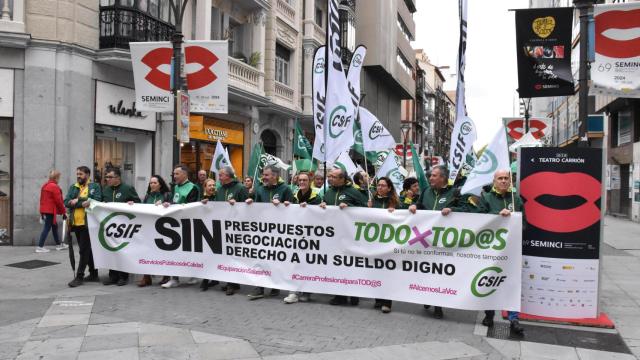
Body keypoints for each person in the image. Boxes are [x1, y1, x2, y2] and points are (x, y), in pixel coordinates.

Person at [408, 164, 463, 319]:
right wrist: (413, 205)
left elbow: (467, 210)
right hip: (425, 239)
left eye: (434, 175)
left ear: (443, 178)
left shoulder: (455, 193)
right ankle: (428, 296)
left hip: (444, 242)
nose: (430, 178)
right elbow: (420, 205)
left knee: (439, 273)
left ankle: (438, 304)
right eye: (430, 175)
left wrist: (453, 210)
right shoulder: (426, 191)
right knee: (426, 270)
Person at [476, 169, 525, 336]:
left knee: (511, 283)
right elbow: (478, 218)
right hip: (491, 249)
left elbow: (524, 223)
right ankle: (489, 314)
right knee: (490, 281)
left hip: (511, 249)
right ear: (494, 181)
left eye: (506, 178)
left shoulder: (516, 199)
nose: (504, 181)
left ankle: (514, 319)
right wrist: (497, 216)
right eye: (500, 178)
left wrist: (514, 221)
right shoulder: (487, 198)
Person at [320, 167, 367, 306]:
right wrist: (322, 205)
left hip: (350, 235)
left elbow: (365, 208)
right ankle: (339, 295)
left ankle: (353, 294)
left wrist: (349, 206)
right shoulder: (328, 192)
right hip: (333, 236)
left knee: (350, 265)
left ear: (342, 179)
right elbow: (324, 208)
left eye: (334, 177)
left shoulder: (353, 192)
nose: (330, 179)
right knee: (337, 265)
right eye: (330, 176)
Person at [245, 165, 293, 300]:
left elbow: (293, 209)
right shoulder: (260, 189)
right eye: (263, 175)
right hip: (263, 231)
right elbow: (257, 207)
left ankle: (275, 286)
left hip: (279, 232)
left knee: (276, 260)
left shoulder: (285, 189)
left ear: (275, 176)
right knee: (261, 259)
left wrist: (284, 203)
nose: (263, 177)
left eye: (266, 175)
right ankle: (259, 288)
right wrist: (251, 202)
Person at [282, 172, 322, 304]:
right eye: (300, 180)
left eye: (305, 180)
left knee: (307, 264)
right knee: (294, 263)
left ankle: (306, 291)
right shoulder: (294, 196)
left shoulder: (316, 197)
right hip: (296, 235)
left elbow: (320, 214)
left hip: (311, 236)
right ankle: (293, 291)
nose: (302, 182)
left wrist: (311, 208)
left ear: (309, 181)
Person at [161, 164, 201, 289]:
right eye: (174, 174)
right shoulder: (175, 187)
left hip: (187, 223)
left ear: (184, 174)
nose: (174, 176)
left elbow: (191, 206)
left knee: (189, 251)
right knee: (173, 251)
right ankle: (174, 278)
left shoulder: (192, 187)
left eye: (177, 174)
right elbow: (173, 201)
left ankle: (193, 274)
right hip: (174, 223)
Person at [102, 168, 141, 286]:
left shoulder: (127, 188)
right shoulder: (106, 190)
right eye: (106, 177)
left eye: (110, 177)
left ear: (118, 178)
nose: (107, 179)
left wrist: (132, 204)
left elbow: (138, 203)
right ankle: (112, 276)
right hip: (109, 226)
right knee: (111, 250)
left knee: (122, 251)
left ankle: (123, 276)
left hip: (124, 227)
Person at [65, 166, 102, 287]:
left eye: (80, 174)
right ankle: (93, 273)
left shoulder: (94, 186)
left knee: (83, 250)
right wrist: (83, 202)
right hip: (75, 223)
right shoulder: (73, 187)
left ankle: (79, 276)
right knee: (87, 250)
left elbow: (96, 200)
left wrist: (77, 201)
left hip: (88, 223)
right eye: (77, 174)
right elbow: (66, 202)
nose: (78, 176)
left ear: (87, 174)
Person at [215, 166, 249, 295]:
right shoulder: (219, 189)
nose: (219, 177)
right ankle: (230, 281)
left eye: (221, 175)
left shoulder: (240, 188)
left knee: (234, 255)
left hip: (236, 227)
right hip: (223, 226)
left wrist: (238, 205)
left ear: (228, 176)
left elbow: (247, 206)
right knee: (226, 255)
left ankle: (233, 283)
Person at [368, 177, 400, 313]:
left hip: (389, 242)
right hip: (374, 242)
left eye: (383, 185)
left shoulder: (396, 203)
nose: (379, 188)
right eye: (378, 185)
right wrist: (367, 209)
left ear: (389, 188)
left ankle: (387, 301)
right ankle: (378, 298)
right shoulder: (372, 201)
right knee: (376, 270)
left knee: (387, 272)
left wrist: (396, 212)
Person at [138, 175, 172, 287]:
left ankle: (166, 275)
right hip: (149, 227)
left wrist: (166, 205)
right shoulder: (148, 196)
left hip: (163, 228)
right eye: (151, 183)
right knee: (146, 251)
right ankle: (146, 277)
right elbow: (142, 209)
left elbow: (173, 208)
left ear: (160, 184)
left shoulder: (166, 195)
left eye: (154, 183)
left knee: (163, 252)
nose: (152, 185)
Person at [37, 170, 68, 252]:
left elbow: (42, 200)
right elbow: (59, 201)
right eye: (59, 178)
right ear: (56, 178)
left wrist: (41, 211)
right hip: (50, 211)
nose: (59, 179)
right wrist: (64, 212)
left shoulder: (45, 185)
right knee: (47, 227)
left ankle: (58, 244)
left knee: (54, 226)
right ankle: (40, 246)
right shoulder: (54, 187)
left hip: (45, 210)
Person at [199, 178, 220, 291]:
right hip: (204, 229)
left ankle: (214, 278)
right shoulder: (201, 198)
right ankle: (205, 279)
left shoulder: (218, 197)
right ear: (205, 187)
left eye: (214, 185)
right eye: (210, 185)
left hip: (216, 229)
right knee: (206, 255)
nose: (212, 187)